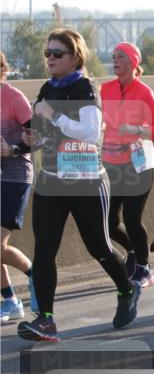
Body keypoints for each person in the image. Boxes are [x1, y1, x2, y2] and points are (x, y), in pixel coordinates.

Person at [17, 28, 142, 342]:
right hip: (52, 180)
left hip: (85, 180)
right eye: (48, 54)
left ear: (76, 56)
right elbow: (40, 134)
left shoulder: (85, 88)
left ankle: (127, 289)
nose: (51, 59)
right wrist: (28, 140)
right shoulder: (48, 88)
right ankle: (45, 320)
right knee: (44, 250)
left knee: (98, 246)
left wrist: (53, 116)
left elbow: (88, 133)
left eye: (58, 53)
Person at [100, 42, 154, 288]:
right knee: (107, 222)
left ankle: (145, 269)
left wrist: (137, 129)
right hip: (112, 163)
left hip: (139, 163)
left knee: (131, 217)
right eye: (113, 56)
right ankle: (135, 250)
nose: (115, 60)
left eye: (121, 57)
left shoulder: (143, 92)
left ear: (133, 62)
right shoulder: (105, 89)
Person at [1, 51, 34, 322]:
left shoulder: (14, 98)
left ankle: (36, 276)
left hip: (15, 176)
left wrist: (11, 149)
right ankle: (10, 300)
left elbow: (37, 137)